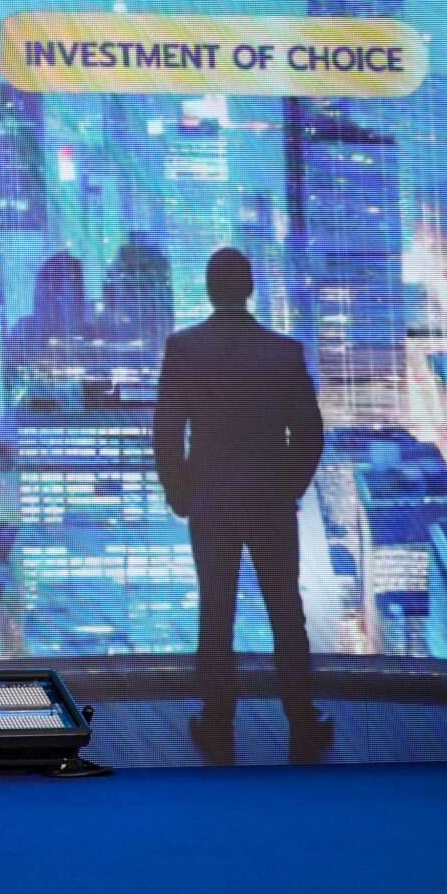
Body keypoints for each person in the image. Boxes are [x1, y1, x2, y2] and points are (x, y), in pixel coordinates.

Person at [152, 247, 334, 765]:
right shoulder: (284, 352)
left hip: (211, 504)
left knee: (216, 613)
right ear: (249, 288)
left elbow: (167, 432)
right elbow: (310, 435)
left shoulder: (184, 348)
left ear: (210, 290)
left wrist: (181, 494)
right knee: (286, 613)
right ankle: (302, 720)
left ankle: (216, 721)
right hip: (270, 504)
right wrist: (286, 489)